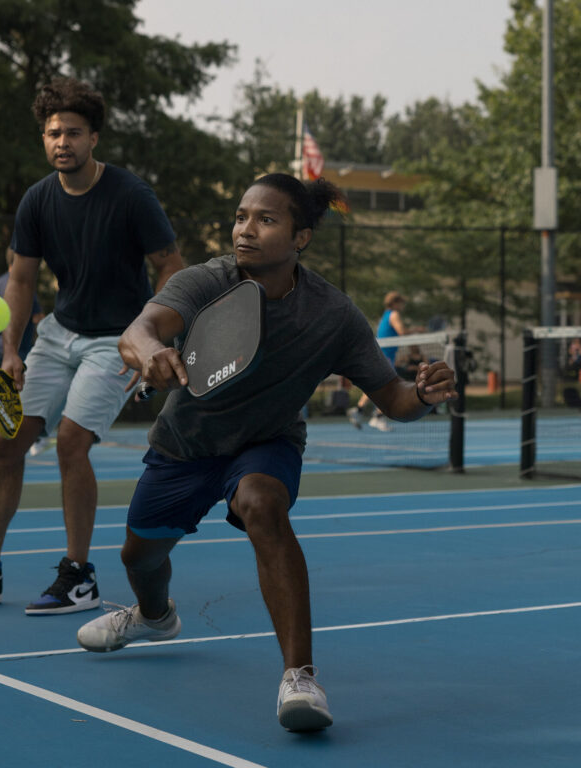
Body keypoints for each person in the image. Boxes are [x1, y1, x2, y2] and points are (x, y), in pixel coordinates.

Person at [75, 173, 457, 732]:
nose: (245, 230)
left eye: (265, 219)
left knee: (262, 505)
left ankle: (299, 678)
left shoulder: (333, 316)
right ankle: (155, 617)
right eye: (240, 216)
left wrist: (423, 395)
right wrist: (151, 349)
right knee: (140, 557)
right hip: (186, 446)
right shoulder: (208, 280)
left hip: (266, 442)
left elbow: (394, 399)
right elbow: (140, 328)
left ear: (300, 238)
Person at [0, 77, 184, 614]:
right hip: (58, 334)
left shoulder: (132, 196)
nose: (62, 142)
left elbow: (171, 266)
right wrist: (11, 349)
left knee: (70, 443)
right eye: (52, 133)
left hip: (116, 339)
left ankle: (78, 576)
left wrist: (150, 336)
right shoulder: (37, 200)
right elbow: (20, 280)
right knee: (5, 442)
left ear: (94, 139)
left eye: (73, 133)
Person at [0, 247, 44, 459]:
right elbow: (37, 317)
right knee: (19, 393)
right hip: (17, 349)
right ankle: (0, 441)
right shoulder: (22, 284)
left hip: (0, 346)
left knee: (9, 393)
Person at [347, 290, 412, 432]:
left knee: (377, 385)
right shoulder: (394, 314)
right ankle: (378, 416)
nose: (403, 306)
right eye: (401, 303)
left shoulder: (385, 315)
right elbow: (402, 332)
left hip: (384, 354)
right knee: (389, 387)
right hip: (385, 355)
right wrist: (418, 331)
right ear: (395, 303)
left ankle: (360, 411)